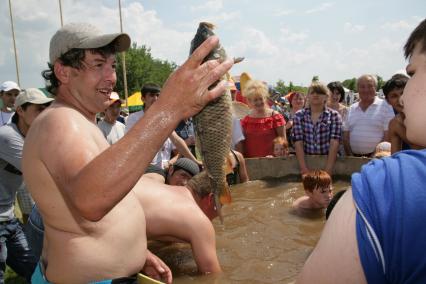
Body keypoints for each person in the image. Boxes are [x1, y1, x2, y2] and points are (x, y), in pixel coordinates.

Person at [22, 22, 233, 283]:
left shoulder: (79, 121)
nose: (110, 77)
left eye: (111, 65)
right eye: (98, 65)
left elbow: (83, 210)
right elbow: (92, 200)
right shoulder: (60, 122)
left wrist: (136, 252)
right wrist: (169, 108)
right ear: (63, 72)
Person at [297, 18, 426, 283]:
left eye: (412, 74)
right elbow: (344, 139)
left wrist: (379, 166)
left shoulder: (387, 185)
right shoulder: (352, 113)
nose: (401, 98)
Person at [0, 88, 53, 283]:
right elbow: (45, 170)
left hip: (8, 218)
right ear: (20, 111)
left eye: (47, 108)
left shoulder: (32, 136)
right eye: (39, 109)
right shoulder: (7, 135)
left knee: (34, 268)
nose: (44, 113)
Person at [135, 172, 224, 274]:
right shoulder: (198, 219)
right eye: (220, 206)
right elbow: (212, 276)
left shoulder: (157, 184)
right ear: (211, 199)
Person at [126, 83, 200, 169]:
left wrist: (195, 161)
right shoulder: (134, 118)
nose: (155, 98)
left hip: (163, 170)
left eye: (158, 95)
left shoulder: (164, 119)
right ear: (143, 99)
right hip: (142, 170)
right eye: (151, 95)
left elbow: (177, 141)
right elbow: (129, 145)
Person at [292, 82, 342, 175]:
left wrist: (328, 170)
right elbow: (298, 142)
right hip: (307, 162)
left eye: (319, 92)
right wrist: (304, 169)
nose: (315, 95)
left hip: (330, 162)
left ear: (326, 97)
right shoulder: (299, 115)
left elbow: (334, 143)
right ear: (308, 97)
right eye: (312, 92)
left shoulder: (334, 116)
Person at [343, 74, 395, 157]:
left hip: (377, 159)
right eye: (362, 86)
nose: (366, 90)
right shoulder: (351, 108)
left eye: (370, 86)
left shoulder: (386, 107)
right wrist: (351, 156)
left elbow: (388, 136)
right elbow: (345, 137)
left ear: (376, 88)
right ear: (357, 89)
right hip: (352, 158)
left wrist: (373, 157)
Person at [240, 79, 287, 158]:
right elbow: (243, 144)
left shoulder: (275, 117)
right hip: (251, 165)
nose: (259, 102)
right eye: (255, 100)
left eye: (260, 99)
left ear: (265, 98)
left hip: (273, 164)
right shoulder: (246, 120)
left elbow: (283, 143)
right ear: (250, 101)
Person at [383, 74, 422, 153]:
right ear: (388, 101)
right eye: (394, 96)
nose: (400, 99)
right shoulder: (395, 124)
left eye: (403, 93)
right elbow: (395, 156)